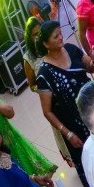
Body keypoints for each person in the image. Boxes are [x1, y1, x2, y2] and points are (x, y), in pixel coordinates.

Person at [35, 21, 94, 187]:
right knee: (89, 163)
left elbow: (90, 67)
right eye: (55, 36)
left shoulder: (71, 49)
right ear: (46, 44)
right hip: (75, 126)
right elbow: (47, 111)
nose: (61, 37)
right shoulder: (44, 75)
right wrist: (68, 134)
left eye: (60, 33)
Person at [22, 17, 72, 166]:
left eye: (39, 33)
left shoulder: (51, 44)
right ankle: (74, 159)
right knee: (64, 132)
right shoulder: (28, 58)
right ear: (29, 37)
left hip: (68, 92)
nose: (37, 37)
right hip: (52, 102)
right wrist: (45, 88)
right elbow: (32, 85)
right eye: (34, 34)